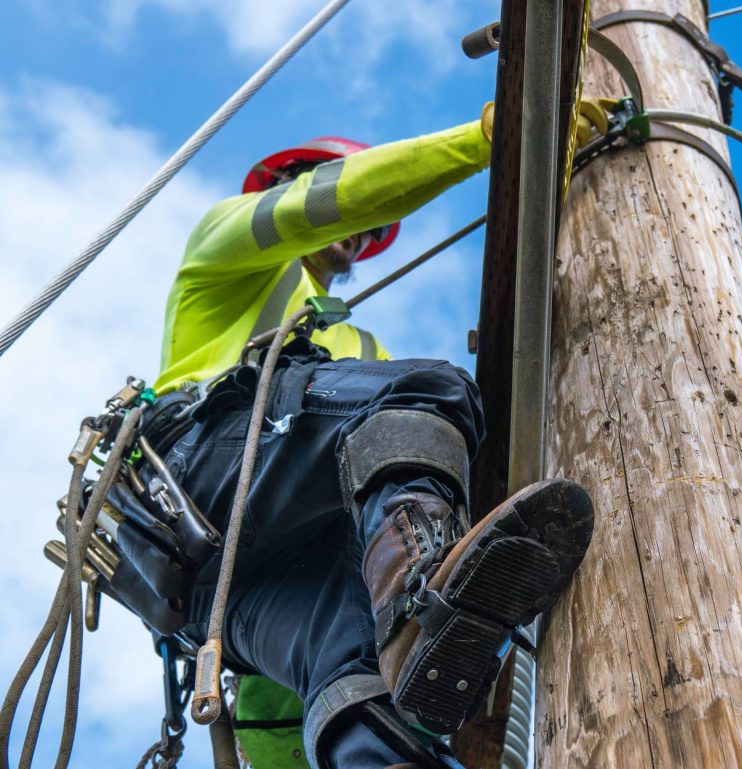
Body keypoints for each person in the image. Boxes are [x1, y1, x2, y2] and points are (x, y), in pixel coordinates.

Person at [143, 103, 606, 769]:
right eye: (363, 217)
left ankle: (391, 690)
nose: (364, 236)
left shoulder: (355, 345)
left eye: (378, 232)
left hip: (216, 586)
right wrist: (484, 140)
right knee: (424, 390)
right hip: (198, 478)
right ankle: (419, 596)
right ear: (288, 178)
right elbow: (331, 201)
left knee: (356, 669)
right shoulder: (225, 244)